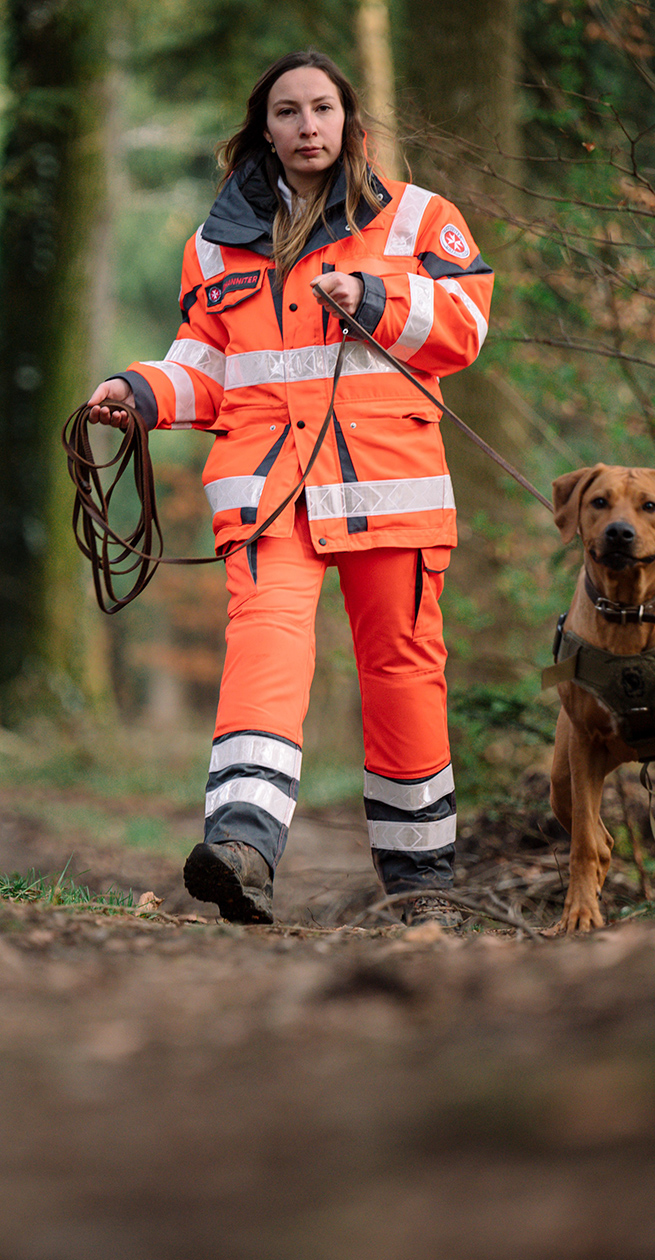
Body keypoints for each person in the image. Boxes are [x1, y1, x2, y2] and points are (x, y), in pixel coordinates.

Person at [87, 48, 494, 927]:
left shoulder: (420, 218)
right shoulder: (218, 239)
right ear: (262, 128)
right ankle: (242, 848)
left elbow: (465, 326)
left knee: (402, 674)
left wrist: (377, 297)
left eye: (321, 109)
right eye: (287, 112)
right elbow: (207, 364)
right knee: (266, 653)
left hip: (392, 488)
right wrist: (141, 394)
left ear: (348, 118)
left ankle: (423, 886)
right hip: (269, 489)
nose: (307, 126)